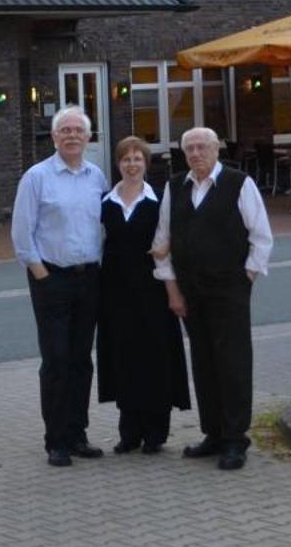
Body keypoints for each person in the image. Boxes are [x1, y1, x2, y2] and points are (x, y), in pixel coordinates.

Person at [151, 126, 273, 470]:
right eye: (189, 148)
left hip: (229, 289)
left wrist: (245, 279)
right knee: (203, 362)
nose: (195, 154)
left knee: (233, 362)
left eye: (202, 147)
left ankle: (236, 438)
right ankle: (214, 433)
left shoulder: (238, 183)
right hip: (191, 291)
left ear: (216, 150)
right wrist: (172, 288)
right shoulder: (175, 187)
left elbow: (261, 237)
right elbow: (162, 242)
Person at [11, 105, 107, 467]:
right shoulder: (36, 178)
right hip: (52, 279)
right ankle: (56, 440)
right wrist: (41, 275)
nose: (71, 135)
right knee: (56, 361)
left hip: (88, 279)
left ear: (87, 137)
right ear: (54, 137)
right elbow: (22, 233)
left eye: (77, 130)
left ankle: (77, 432)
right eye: (64, 130)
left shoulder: (96, 177)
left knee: (82, 360)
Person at [97, 135, 190, 454]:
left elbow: (174, 240)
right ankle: (129, 431)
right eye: (126, 159)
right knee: (124, 358)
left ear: (146, 164)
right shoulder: (105, 202)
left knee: (154, 359)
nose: (132, 164)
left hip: (152, 291)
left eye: (138, 159)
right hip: (116, 292)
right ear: (118, 164)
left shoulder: (160, 200)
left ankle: (155, 432)